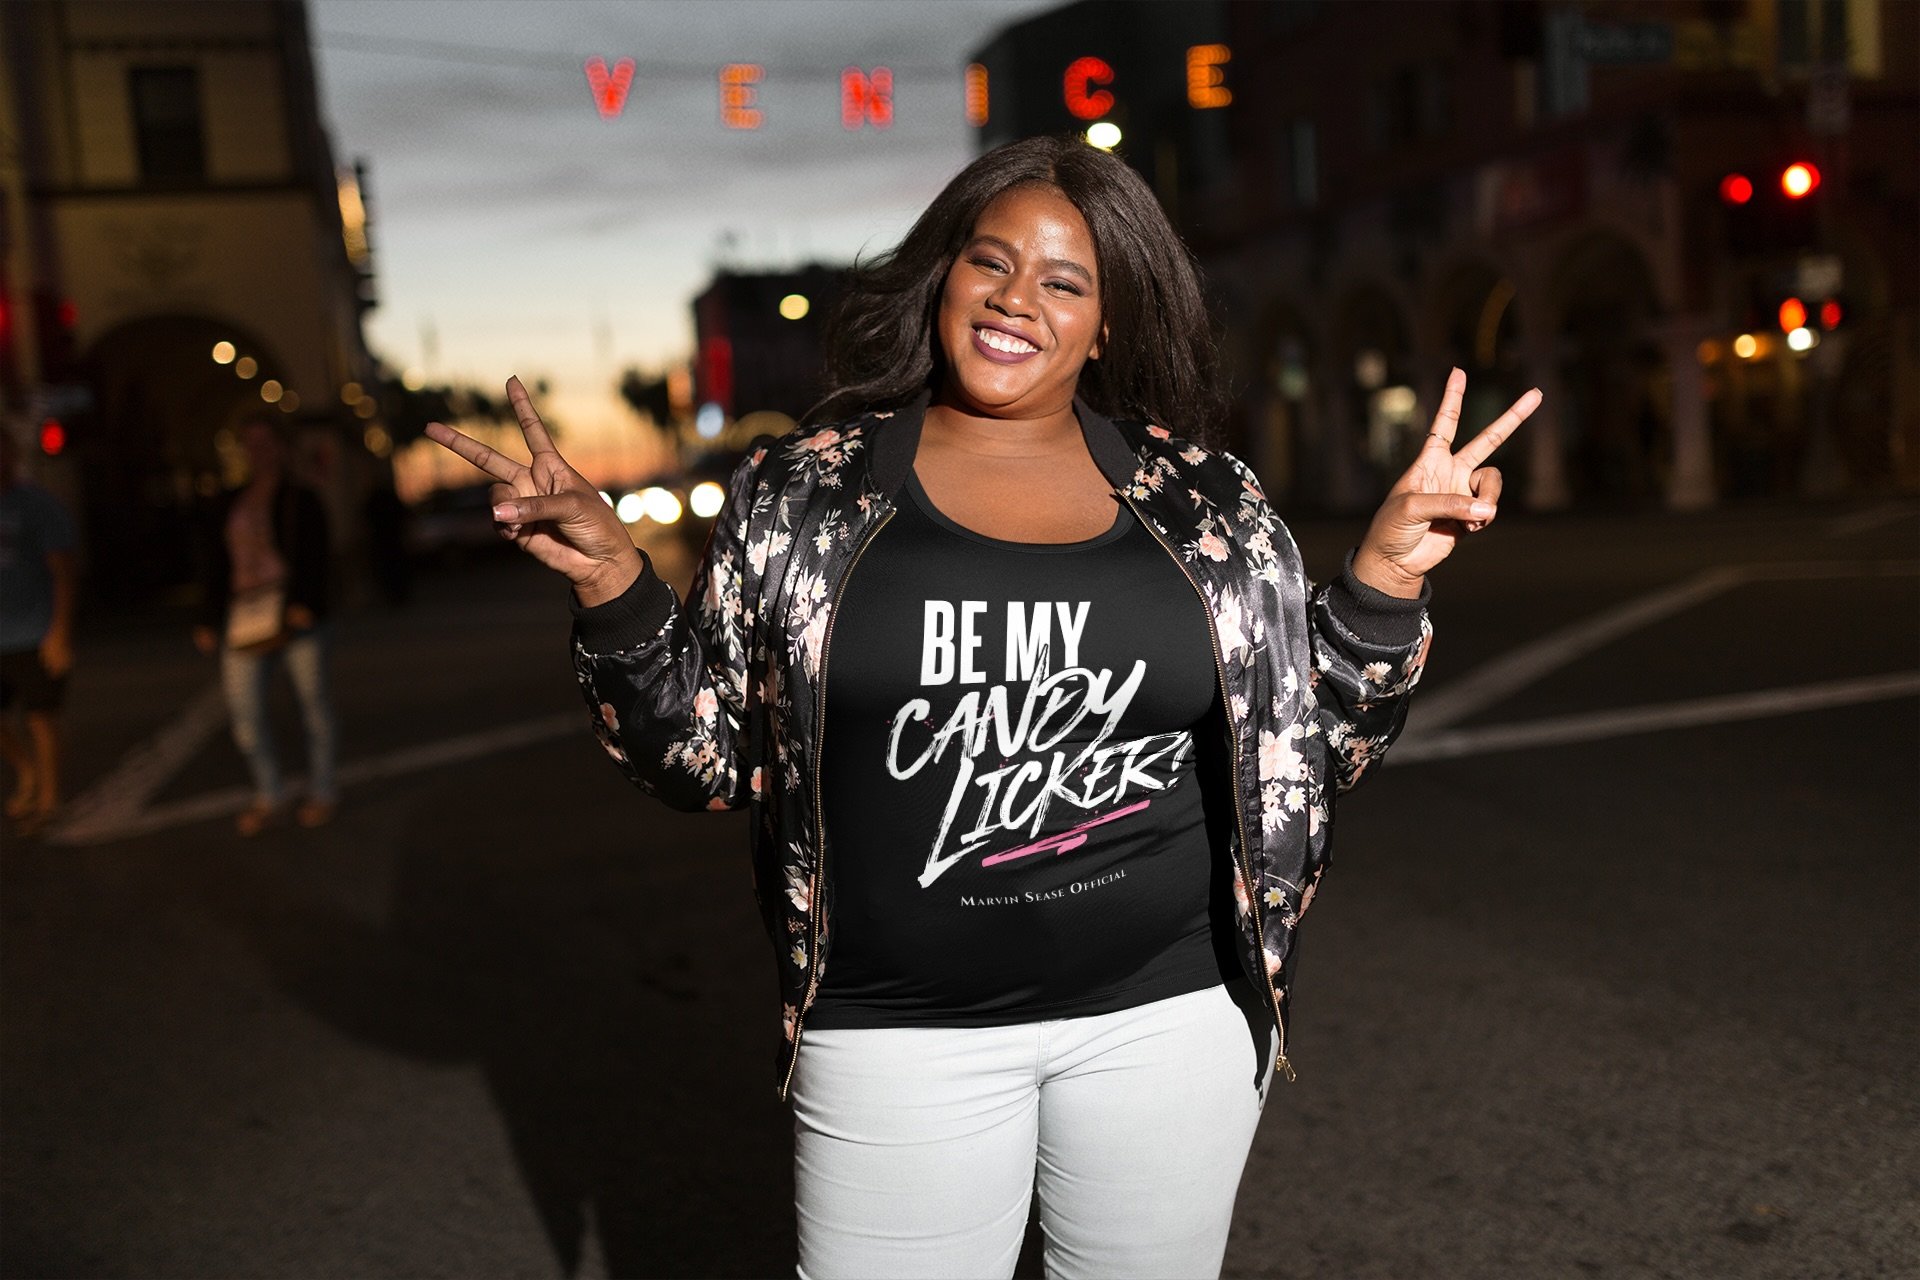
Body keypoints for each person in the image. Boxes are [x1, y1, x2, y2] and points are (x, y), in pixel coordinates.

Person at [428, 136, 1538, 1278]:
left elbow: (1316, 745)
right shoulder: (807, 493)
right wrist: (615, 586)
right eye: (990, 262)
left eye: (1065, 280)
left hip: (1169, 1018)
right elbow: (702, 758)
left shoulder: (1205, 503)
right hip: (892, 1031)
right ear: (943, 278)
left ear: (1107, 321)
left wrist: (1390, 575)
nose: (1017, 299)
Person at [194, 414, 338, 834]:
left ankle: (323, 790)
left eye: (265, 442)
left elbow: (317, 556)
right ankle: (268, 792)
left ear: (281, 447)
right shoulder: (230, 500)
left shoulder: (301, 497)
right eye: (249, 444)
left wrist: (305, 603)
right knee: (245, 715)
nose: (257, 452)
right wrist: (208, 618)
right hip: (245, 615)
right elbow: (216, 563)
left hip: (295, 614)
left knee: (313, 706)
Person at [0, 426, 77, 837]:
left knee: (41, 718)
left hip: (33, 631)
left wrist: (59, 632)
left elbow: (63, 572)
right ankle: (25, 770)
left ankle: (49, 799)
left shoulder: (36, 505)